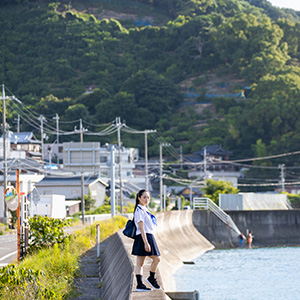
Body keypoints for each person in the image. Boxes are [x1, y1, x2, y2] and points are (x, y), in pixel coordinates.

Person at [132, 189, 161, 292]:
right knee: (156, 259)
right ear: (139, 198)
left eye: (148, 197)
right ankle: (149, 279)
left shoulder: (144, 209)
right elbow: (141, 228)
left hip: (147, 236)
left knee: (140, 263)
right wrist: (146, 242)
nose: (146, 199)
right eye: (144, 197)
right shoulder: (139, 211)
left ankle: (142, 283)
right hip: (144, 237)